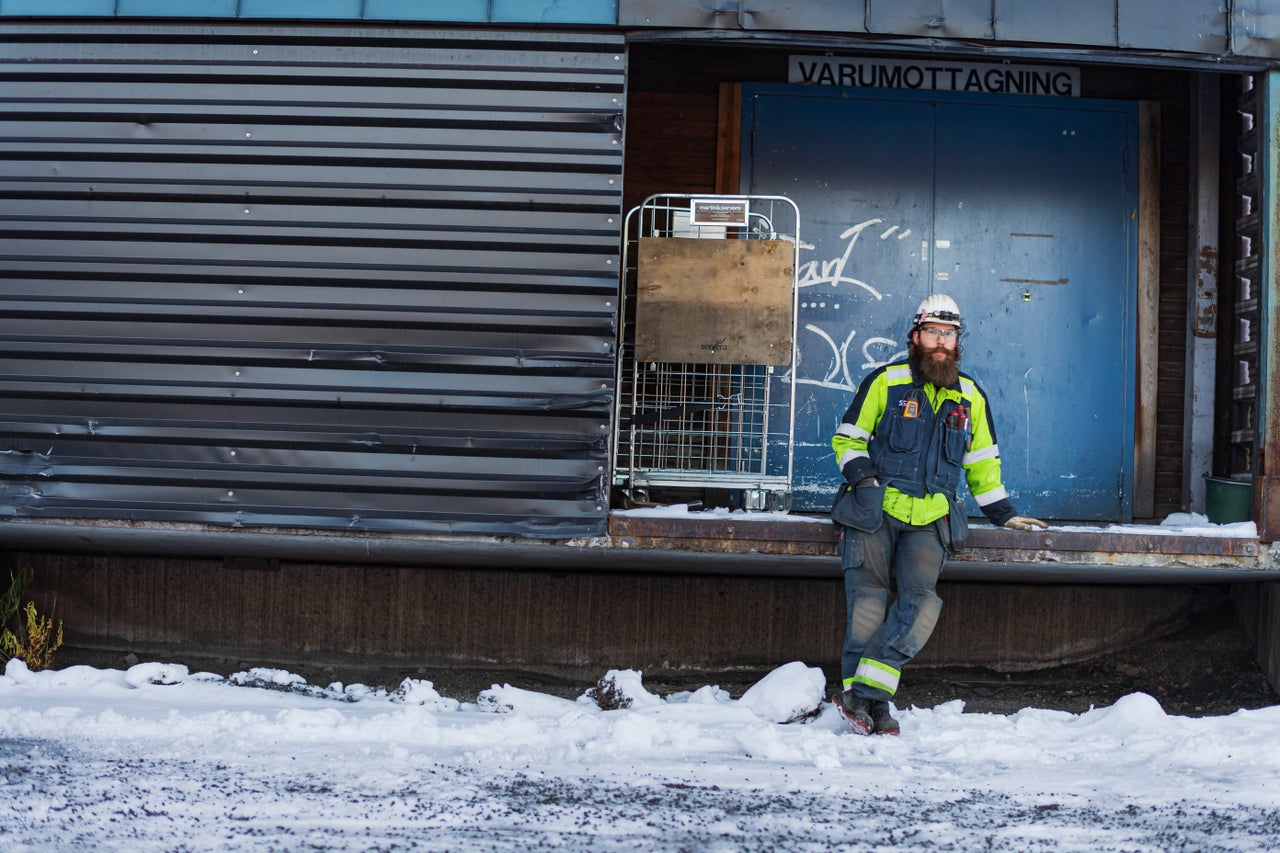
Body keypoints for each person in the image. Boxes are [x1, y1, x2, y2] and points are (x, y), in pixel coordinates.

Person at [829, 294, 1046, 735]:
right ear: (915, 337)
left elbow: (982, 463)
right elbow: (848, 440)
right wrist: (866, 482)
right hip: (875, 511)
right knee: (868, 607)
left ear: (957, 341)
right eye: (933, 333)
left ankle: (864, 696)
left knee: (920, 608)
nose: (941, 342)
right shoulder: (885, 382)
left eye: (949, 335)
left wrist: (1004, 514)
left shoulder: (970, 396)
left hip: (932, 518)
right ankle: (873, 706)